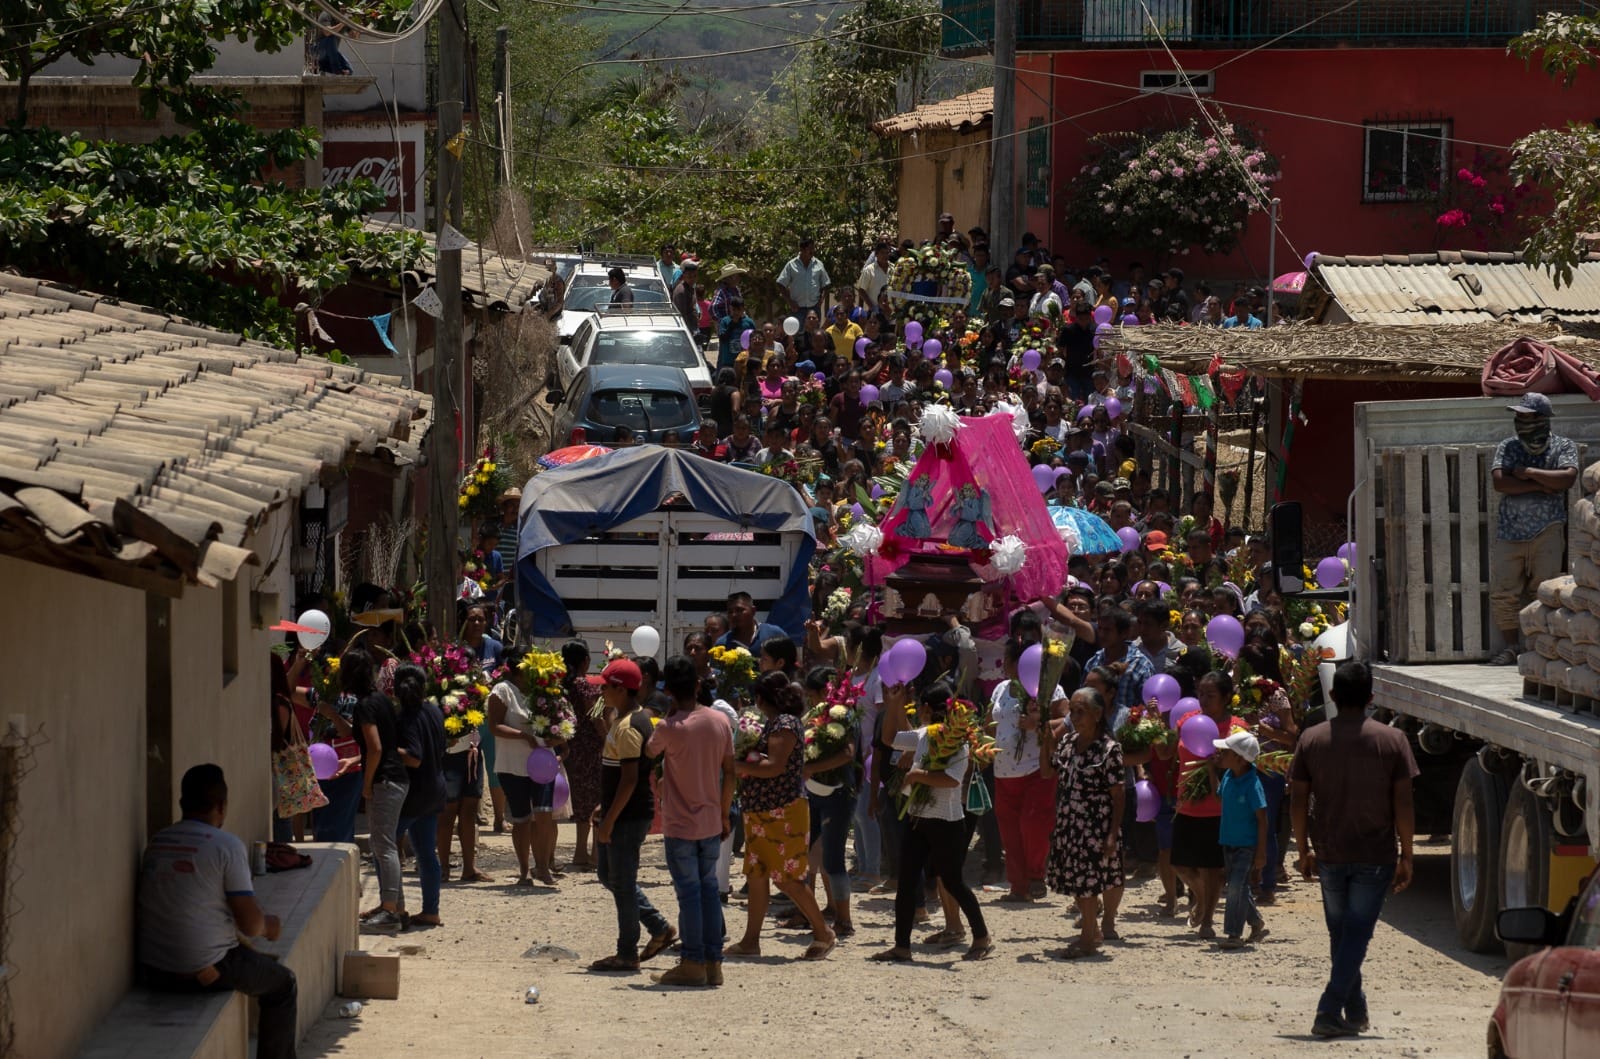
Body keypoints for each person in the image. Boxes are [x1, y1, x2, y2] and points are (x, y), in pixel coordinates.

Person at [1291, 660, 1418, 1039]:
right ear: (1371, 698)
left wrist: (1301, 849)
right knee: (1356, 933)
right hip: (1374, 852)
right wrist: (1407, 854)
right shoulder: (1392, 740)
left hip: (1329, 850)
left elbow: (1297, 799)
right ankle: (1329, 1010)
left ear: (1331, 695)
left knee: (1342, 933)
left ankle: (1355, 1008)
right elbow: (1404, 804)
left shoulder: (1312, 739)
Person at [139, 765, 298, 1059]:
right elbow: (251, 926)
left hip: (154, 969)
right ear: (222, 806)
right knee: (283, 984)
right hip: (200, 972)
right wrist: (270, 926)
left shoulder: (159, 841)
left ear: (182, 804)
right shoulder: (225, 846)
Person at [869, 684, 992, 963]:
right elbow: (889, 738)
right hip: (918, 818)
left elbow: (951, 779)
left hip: (946, 821)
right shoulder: (924, 734)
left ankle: (982, 936)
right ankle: (902, 945)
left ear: (927, 709)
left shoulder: (958, 740)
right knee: (907, 880)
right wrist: (893, 705)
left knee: (953, 882)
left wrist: (916, 776)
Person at [727, 671, 836, 960]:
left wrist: (737, 766)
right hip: (764, 810)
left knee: (786, 879)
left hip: (781, 810)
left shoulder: (784, 724)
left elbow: (775, 767)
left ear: (762, 698)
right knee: (759, 875)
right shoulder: (777, 723)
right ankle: (751, 940)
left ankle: (823, 933)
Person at [645, 656, 736, 987]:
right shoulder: (720, 721)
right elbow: (731, 773)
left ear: (667, 690)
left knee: (689, 894)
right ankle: (714, 963)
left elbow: (648, 753)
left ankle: (693, 962)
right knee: (709, 890)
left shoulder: (667, 728)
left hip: (681, 824)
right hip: (712, 820)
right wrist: (725, 813)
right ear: (698, 685)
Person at [590, 658, 678, 972]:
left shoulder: (629, 727)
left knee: (622, 882)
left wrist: (610, 820)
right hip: (623, 811)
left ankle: (627, 951)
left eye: (606, 688)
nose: (602, 694)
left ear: (621, 689)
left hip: (627, 816)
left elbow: (629, 780)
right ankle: (658, 926)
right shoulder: (628, 718)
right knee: (609, 876)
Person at [1489, 392, 1578, 664]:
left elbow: (1567, 478)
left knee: (1544, 590)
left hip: (1548, 529)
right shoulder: (1509, 446)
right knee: (1504, 592)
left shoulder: (1563, 446)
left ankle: (1537, 646)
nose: (1521, 421)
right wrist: (1542, 486)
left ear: (1541, 418)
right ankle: (1511, 646)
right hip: (1510, 530)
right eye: (1519, 416)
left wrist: (1529, 472)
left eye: (1526, 416)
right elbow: (1501, 482)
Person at [1041, 687, 1126, 959]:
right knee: (1075, 882)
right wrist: (1045, 743)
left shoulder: (1109, 750)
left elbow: (1118, 795)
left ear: (1097, 714)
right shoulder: (1067, 743)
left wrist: (1112, 834)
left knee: (1087, 883)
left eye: (1081, 712)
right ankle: (1092, 930)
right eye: (1073, 712)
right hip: (1069, 824)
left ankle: (1088, 938)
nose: (1075, 717)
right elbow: (1047, 772)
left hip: (1094, 826)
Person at [989, 635, 1067, 902]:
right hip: (1002, 770)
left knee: (1033, 824)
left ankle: (1036, 875)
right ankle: (1017, 885)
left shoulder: (1051, 689)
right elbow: (993, 723)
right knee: (1009, 830)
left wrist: (1039, 722)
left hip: (1036, 768)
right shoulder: (1000, 689)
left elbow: (1067, 720)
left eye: (1008, 660)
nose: (1004, 665)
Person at [354, 648, 409, 934]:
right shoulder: (381, 700)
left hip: (385, 780)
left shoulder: (365, 705)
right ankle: (395, 906)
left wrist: (366, 783)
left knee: (383, 845)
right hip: (395, 776)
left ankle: (389, 910)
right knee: (384, 845)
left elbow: (375, 748)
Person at [394, 663, 446, 928]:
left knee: (387, 847)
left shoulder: (407, 717)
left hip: (412, 794)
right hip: (435, 790)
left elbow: (413, 758)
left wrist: (389, 749)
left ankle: (393, 907)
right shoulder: (435, 711)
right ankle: (430, 911)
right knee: (427, 853)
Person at [1212, 729, 1269, 950]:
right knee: (1239, 886)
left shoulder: (1252, 784)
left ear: (1238, 758)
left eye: (1225, 752)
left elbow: (1262, 819)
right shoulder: (1228, 776)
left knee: (1235, 887)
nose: (1220, 754)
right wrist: (1211, 770)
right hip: (1228, 841)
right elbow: (1219, 796)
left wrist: (1261, 852)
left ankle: (1234, 934)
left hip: (1246, 845)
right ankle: (1255, 921)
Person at [561, 640, 608, 871]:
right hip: (590, 748)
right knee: (596, 800)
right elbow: (596, 714)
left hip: (571, 746)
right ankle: (595, 854)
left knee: (580, 801)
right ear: (585, 660)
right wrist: (607, 738)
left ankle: (580, 852)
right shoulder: (586, 685)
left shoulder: (561, 684)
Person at [716, 590, 787, 652]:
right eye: (730, 612)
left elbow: (794, 665)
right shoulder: (722, 644)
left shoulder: (774, 634)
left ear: (753, 611)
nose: (734, 615)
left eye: (739, 610)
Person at [778, 236, 831, 318]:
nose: (812, 251)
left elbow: (826, 285)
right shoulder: (791, 265)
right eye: (809, 248)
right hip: (797, 310)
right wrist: (790, 302)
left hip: (814, 309)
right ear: (801, 250)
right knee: (798, 331)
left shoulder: (819, 264)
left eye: (813, 248)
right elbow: (780, 284)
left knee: (814, 331)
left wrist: (821, 300)